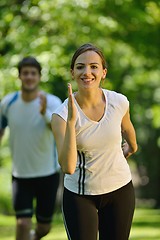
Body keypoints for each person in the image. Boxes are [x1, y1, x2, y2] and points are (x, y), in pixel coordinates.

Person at [51, 43, 138, 240]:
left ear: (103, 72)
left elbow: (128, 131)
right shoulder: (61, 116)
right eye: (80, 67)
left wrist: (131, 148)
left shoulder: (119, 102)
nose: (87, 72)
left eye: (94, 66)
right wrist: (73, 121)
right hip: (80, 195)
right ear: (72, 73)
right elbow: (68, 167)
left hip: (120, 190)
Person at [0, 56, 62, 240]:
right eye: (25, 73)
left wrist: (44, 114)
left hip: (48, 173)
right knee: (23, 223)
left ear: (39, 77)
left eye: (33, 73)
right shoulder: (8, 103)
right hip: (21, 175)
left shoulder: (52, 102)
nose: (29, 77)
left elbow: (58, 130)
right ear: (19, 76)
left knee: (44, 228)